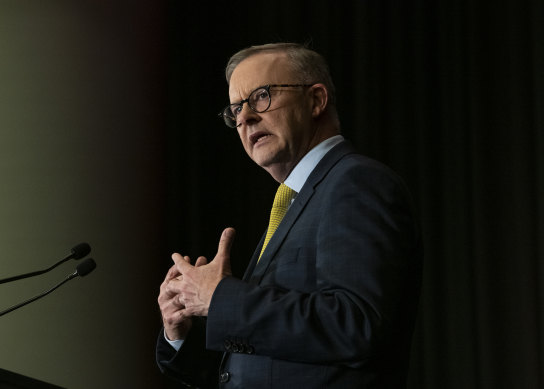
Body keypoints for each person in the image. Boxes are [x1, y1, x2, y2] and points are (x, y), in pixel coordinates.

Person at [156, 42, 422, 388]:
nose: (245, 117)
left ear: (316, 100)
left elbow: (356, 325)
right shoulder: (295, 202)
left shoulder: (355, 182)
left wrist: (222, 298)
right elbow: (251, 364)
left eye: (262, 96)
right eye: (236, 108)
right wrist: (184, 329)